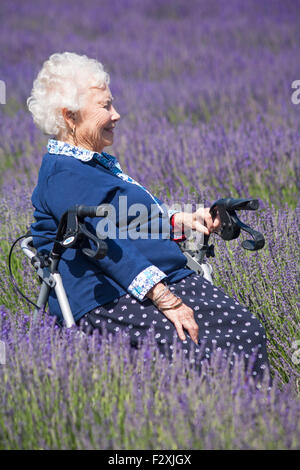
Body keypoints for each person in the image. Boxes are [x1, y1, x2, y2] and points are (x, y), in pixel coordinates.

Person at [28, 52, 269, 379]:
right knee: (202, 354)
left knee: (246, 328)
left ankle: (255, 413)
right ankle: (211, 423)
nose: (117, 114)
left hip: (165, 277)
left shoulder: (93, 163)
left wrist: (187, 221)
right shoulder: (63, 175)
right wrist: (166, 300)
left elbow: (132, 219)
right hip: (112, 294)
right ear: (70, 117)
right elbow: (104, 243)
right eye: (104, 107)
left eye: (112, 103)